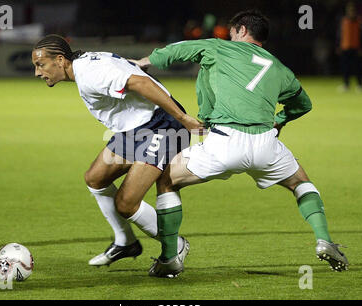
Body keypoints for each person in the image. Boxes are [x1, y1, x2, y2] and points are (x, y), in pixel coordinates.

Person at [132, 10, 349, 277]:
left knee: (166, 179)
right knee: (300, 183)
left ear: (242, 31)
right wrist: (279, 121)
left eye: (232, 32)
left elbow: (180, 49)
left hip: (224, 142)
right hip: (265, 145)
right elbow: (303, 104)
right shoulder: (280, 68)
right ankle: (324, 239)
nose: (229, 37)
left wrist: (146, 61)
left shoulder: (219, 48)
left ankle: (169, 258)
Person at [31, 35, 205, 272]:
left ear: (60, 60)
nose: (37, 72)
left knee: (126, 203)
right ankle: (126, 242)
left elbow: (141, 84)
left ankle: (175, 245)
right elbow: (123, 68)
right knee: (95, 178)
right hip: (134, 128)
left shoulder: (90, 74)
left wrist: (183, 119)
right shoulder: (84, 63)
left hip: (160, 126)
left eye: (40, 65)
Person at [337, 2, 362, 92]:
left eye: (352, 10)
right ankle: (346, 85)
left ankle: (360, 85)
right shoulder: (343, 21)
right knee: (345, 68)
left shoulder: (359, 21)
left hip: (356, 48)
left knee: (358, 68)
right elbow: (339, 35)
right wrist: (338, 46)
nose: (351, 12)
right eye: (349, 10)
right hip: (345, 48)